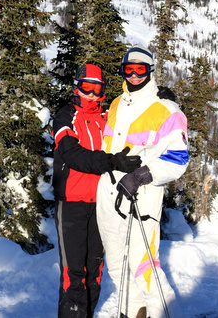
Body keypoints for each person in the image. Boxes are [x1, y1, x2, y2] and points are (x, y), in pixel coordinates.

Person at [96, 45, 189, 318]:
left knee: (143, 264)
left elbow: (178, 159)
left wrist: (141, 175)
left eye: (141, 70)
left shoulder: (166, 109)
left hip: (141, 194)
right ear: (122, 70)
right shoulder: (116, 103)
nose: (134, 75)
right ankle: (131, 312)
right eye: (129, 69)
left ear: (150, 71)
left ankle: (164, 312)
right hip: (109, 191)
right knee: (115, 263)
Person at [52, 64, 141, 318]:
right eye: (86, 87)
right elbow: (72, 154)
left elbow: (135, 120)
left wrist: (161, 101)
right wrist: (110, 162)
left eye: (97, 88)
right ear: (76, 86)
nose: (91, 94)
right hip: (72, 203)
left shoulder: (107, 118)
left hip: (101, 203)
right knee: (74, 275)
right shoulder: (65, 116)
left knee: (95, 270)